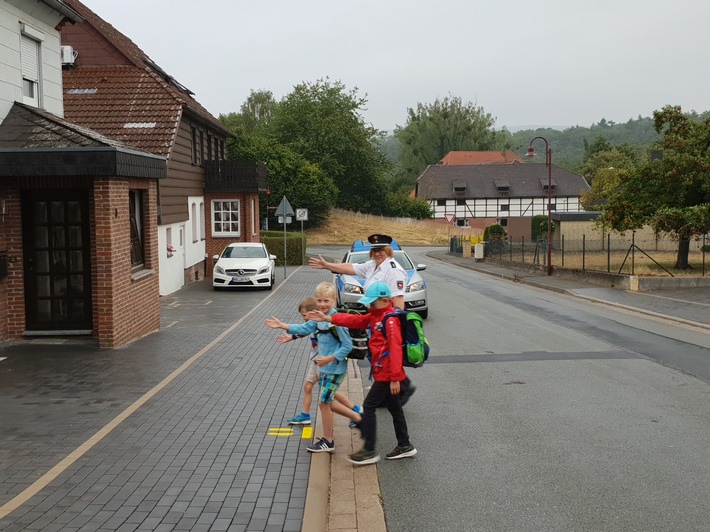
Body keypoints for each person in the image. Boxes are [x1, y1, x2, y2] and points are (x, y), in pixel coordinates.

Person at [307, 281, 417, 465]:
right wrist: (329, 319)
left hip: (387, 374)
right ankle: (405, 445)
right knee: (395, 407)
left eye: (372, 303)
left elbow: (396, 350)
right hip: (383, 372)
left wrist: (395, 378)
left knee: (369, 406)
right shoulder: (376, 315)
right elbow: (356, 320)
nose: (369, 306)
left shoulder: (389, 320)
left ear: (385, 300)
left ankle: (369, 450)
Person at [309, 233, 416, 405]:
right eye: (375, 250)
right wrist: (328, 265)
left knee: (384, 354)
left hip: (385, 319)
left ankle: (401, 387)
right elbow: (351, 268)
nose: (378, 253)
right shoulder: (373, 265)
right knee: (376, 355)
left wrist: (392, 326)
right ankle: (389, 390)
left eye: (381, 250)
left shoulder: (393, 269)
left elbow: (398, 301)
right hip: (373, 317)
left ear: (388, 250)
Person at [264, 282, 361, 453]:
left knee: (324, 403)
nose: (322, 304)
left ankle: (329, 441)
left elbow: (347, 346)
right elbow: (303, 327)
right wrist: (282, 325)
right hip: (325, 368)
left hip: (335, 368)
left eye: (326, 301)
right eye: (319, 300)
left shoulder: (336, 320)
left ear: (334, 300)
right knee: (325, 402)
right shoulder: (318, 318)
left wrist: (330, 358)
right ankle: (357, 417)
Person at [278, 296, 363, 427]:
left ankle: (356, 414)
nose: (304, 319)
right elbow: (304, 330)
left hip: (328, 363)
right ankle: (306, 415)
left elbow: (346, 345)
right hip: (318, 362)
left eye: (305, 315)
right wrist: (291, 336)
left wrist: (330, 358)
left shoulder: (325, 323)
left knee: (327, 398)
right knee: (317, 390)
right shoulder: (313, 323)